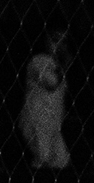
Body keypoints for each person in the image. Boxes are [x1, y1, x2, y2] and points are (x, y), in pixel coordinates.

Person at [18, 25, 71, 171]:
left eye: (63, 41)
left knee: (61, 161)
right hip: (37, 121)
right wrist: (66, 62)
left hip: (52, 125)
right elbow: (52, 82)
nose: (59, 45)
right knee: (43, 160)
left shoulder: (55, 64)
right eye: (55, 39)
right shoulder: (38, 61)